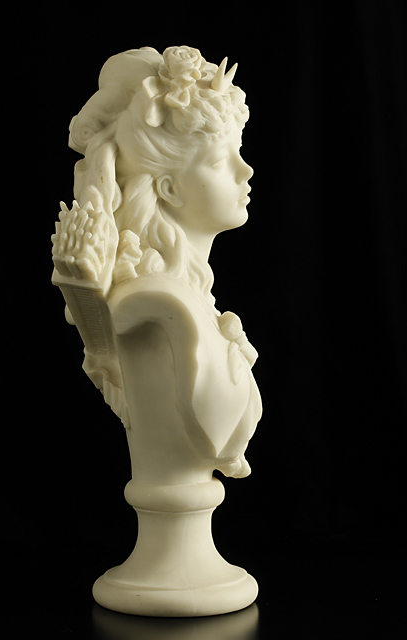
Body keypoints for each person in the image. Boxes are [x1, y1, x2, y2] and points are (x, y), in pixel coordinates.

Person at [52, 46, 262, 481]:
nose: (246, 171)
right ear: (167, 187)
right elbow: (217, 429)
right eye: (220, 161)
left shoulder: (184, 294)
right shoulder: (160, 302)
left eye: (239, 152)